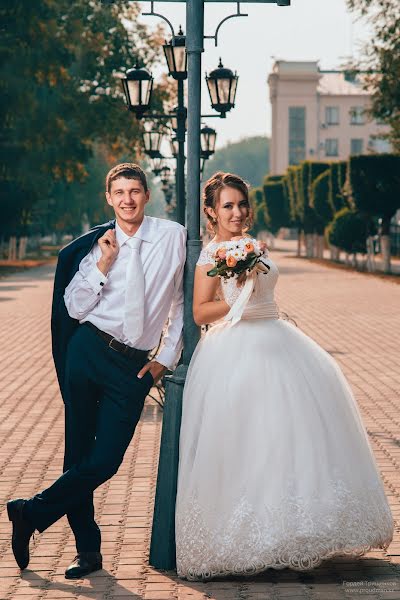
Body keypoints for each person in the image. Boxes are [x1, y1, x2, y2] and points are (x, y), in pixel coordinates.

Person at [175, 171, 394, 581]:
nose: (237, 212)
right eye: (227, 206)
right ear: (211, 212)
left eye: (241, 204)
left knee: (294, 438)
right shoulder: (210, 256)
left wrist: (259, 296)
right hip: (233, 352)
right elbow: (201, 313)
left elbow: (267, 295)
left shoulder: (257, 246)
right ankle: (248, 538)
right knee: (251, 441)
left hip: (279, 341)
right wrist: (237, 296)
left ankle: (296, 532)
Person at [7, 163, 186, 578]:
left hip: (133, 367)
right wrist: (104, 264)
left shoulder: (173, 237)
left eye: (135, 191)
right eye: (119, 192)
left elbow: (180, 302)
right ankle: (88, 552)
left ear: (147, 195)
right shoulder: (95, 247)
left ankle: (29, 512)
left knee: (104, 460)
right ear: (109, 198)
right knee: (78, 456)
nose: (127, 199)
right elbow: (73, 307)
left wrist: (165, 358)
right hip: (88, 352)